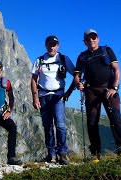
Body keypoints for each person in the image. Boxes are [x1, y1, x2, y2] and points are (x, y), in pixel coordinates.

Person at [74, 29, 121, 162]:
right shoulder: (82, 56)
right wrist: (78, 84)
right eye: (88, 38)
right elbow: (77, 75)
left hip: (108, 90)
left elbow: (117, 70)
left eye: (94, 37)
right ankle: (95, 155)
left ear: (98, 38)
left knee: (116, 120)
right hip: (90, 91)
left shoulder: (107, 50)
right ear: (84, 42)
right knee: (92, 123)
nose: (91, 40)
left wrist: (114, 88)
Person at [30, 36, 75, 165]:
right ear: (46, 45)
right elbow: (33, 80)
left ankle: (62, 153)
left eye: (54, 45)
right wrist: (35, 97)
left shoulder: (63, 59)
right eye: (50, 44)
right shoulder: (39, 60)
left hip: (58, 96)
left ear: (58, 46)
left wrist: (69, 92)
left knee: (60, 125)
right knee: (47, 126)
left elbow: (76, 74)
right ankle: (51, 154)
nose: (52, 47)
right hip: (43, 96)